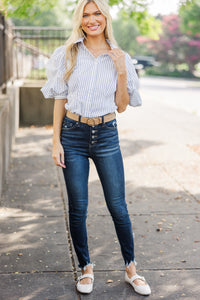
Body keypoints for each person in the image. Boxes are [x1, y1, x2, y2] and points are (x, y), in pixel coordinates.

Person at [41, 0, 151, 296]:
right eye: (86, 15)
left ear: (105, 17)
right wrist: (55, 142)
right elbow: (60, 99)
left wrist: (121, 71)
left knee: (118, 206)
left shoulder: (120, 56)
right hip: (73, 136)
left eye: (97, 14)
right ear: (80, 20)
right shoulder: (67, 54)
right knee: (78, 208)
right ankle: (86, 268)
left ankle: (131, 269)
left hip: (106, 135)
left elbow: (123, 106)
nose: (92, 20)